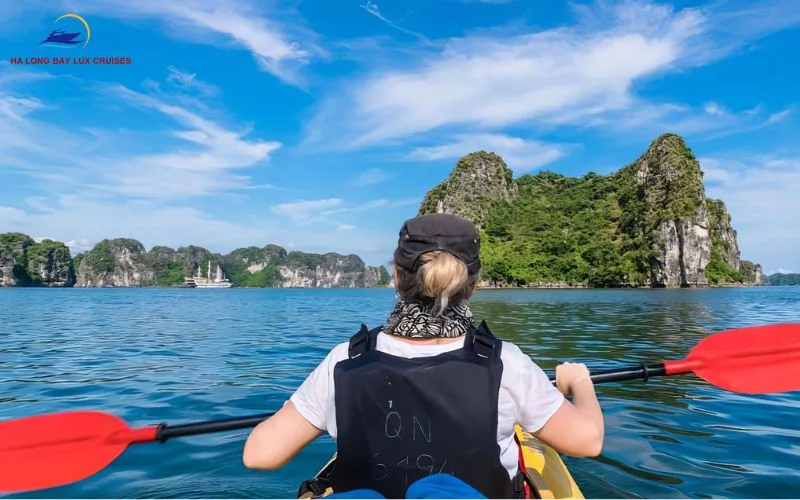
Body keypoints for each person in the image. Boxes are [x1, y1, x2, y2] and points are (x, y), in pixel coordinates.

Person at [243, 213, 605, 499]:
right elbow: (587, 442)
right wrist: (580, 383)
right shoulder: (503, 361)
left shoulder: (346, 358)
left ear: (397, 278)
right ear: (473, 285)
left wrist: (323, 413)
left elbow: (259, 454)